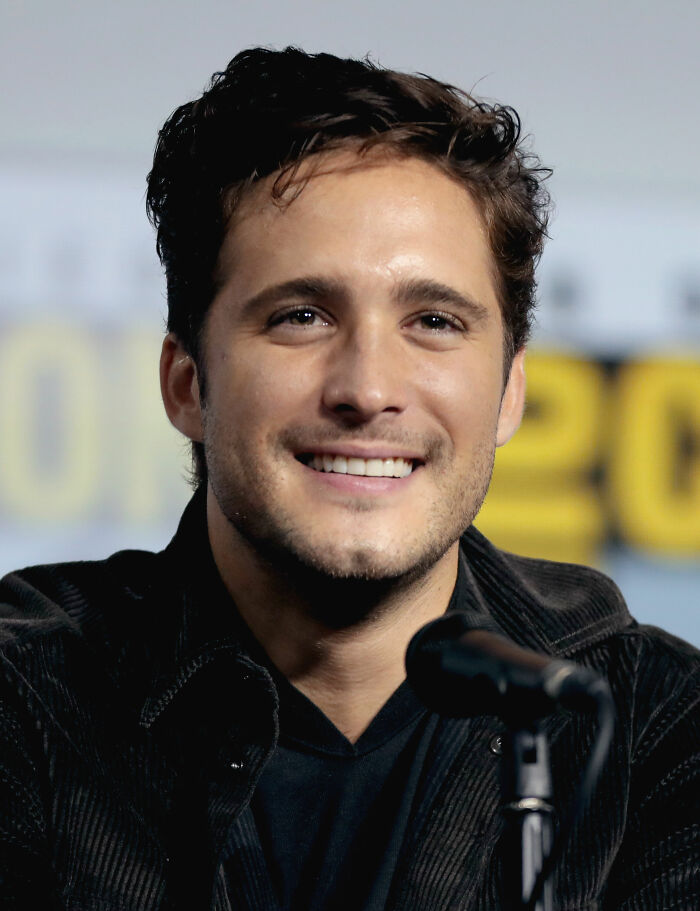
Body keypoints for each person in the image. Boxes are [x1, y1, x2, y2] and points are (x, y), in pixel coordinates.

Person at [0, 47, 698, 911]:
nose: (368, 389)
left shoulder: (653, 724)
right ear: (188, 383)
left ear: (511, 392)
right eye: (300, 316)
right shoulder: (26, 692)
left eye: (434, 321)